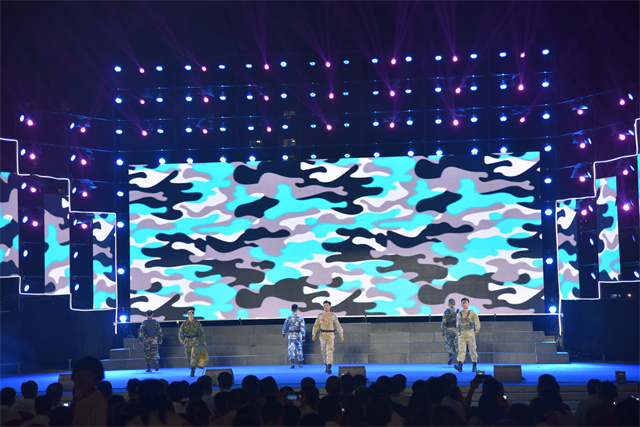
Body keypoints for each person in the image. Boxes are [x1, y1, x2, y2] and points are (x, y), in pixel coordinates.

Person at [71, 356, 108, 426]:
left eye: (87, 376)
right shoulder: (80, 398)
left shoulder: (97, 403)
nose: (82, 380)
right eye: (78, 375)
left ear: (98, 378)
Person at [312, 300, 344, 374]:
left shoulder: (333, 316)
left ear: (330, 306)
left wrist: (341, 335)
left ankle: (329, 366)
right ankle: (326, 364)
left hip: (330, 335)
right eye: (324, 306)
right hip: (322, 335)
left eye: (327, 305)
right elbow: (316, 325)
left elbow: (338, 326)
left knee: (329, 350)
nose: (326, 307)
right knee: (323, 351)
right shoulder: (320, 316)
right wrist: (314, 334)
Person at [178, 307, 206, 377]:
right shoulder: (184, 324)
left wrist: (203, 341)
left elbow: (201, 333)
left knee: (193, 355)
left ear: (194, 314)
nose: (191, 314)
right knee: (188, 356)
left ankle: (192, 370)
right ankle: (192, 366)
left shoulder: (197, 323)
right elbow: (181, 332)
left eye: (192, 313)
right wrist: (181, 340)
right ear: (187, 314)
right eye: (189, 313)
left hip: (194, 340)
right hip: (187, 341)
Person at [454, 297, 480, 372]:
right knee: (461, 350)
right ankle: (460, 366)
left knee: (473, 350)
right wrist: (458, 333)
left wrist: (477, 329)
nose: (464, 304)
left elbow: (477, 321)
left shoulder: (472, 313)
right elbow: (457, 324)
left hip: (470, 333)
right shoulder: (459, 314)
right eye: (463, 303)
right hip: (462, 334)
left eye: (465, 302)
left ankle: (474, 366)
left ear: (468, 304)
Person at [282, 303, 306, 368]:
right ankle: (300, 362)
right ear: (297, 309)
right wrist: (303, 335)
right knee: (299, 348)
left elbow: (285, 326)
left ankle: (292, 362)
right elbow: (302, 327)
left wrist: (284, 332)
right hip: (298, 334)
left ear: (291, 309)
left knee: (291, 348)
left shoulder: (289, 317)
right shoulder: (300, 317)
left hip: (291, 334)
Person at [441, 298, 459, 365]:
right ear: (454, 304)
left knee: (449, 345)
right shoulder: (458, 311)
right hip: (456, 330)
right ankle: (459, 360)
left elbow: (444, 322)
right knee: (457, 345)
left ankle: (451, 355)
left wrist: (443, 331)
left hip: (449, 330)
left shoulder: (447, 311)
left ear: (449, 304)